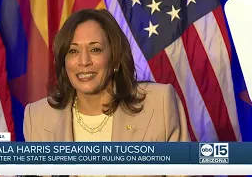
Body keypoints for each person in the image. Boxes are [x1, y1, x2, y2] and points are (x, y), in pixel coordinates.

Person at [23, 9, 190, 144]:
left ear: (115, 59)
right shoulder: (37, 117)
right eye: (73, 51)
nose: (84, 61)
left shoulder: (159, 104)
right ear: (64, 62)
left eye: (95, 49)